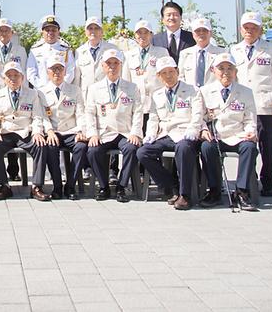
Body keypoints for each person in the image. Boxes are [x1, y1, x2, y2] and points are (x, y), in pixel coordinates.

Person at [229, 11, 272, 197]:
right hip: (242, 106)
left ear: (260, 30)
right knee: (247, 144)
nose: (250, 31)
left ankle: (269, 182)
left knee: (267, 145)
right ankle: (250, 179)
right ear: (240, 29)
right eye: (246, 27)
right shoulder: (233, 50)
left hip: (266, 103)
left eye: (254, 28)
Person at [136, 56, 203, 210]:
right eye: (164, 73)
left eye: (171, 71)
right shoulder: (157, 94)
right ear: (158, 76)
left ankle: (185, 195)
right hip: (167, 134)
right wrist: (150, 134)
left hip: (186, 133)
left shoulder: (193, 90)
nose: (168, 76)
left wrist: (193, 129)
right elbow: (153, 118)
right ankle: (171, 186)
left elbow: (198, 114)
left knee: (184, 149)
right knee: (143, 152)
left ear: (177, 72)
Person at [199, 53, 259, 211]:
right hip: (216, 136)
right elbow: (200, 117)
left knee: (250, 148)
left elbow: (250, 118)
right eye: (221, 68)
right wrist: (204, 130)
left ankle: (241, 191)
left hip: (238, 135)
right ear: (214, 71)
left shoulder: (246, 92)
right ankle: (214, 191)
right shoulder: (204, 91)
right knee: (206, 148)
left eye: (229, 68)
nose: (225, 72)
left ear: (235, 71)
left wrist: (251, 132)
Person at [0, 61, 53, 202]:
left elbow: (37, 116)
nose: (12, 78)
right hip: (6, 131)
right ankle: (4, 186)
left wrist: (37, 132)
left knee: (40, 145)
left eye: (16, 75)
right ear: (4, 79)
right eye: (9, 76)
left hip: (25, 131)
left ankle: (36, 186)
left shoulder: (32, 94)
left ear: (22, 77)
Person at [84, 49, 144, 202]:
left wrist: (135, 133)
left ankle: (121, 186)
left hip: (125, 132)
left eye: (116, 63)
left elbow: (138, 111)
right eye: (109, 63)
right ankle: (104, 186)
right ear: (103, 66)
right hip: (104, 133)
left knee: (132, 149)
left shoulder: (132, 87)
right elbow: (90, 113)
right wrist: (93, 134)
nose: (112, 66)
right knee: (92, 151)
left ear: (121, 65)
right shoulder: (94, 88)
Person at [121, 20, 171, 183]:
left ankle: (158, 177)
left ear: (151, 34)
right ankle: (138, 178)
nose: (142, 36)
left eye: (146, 33)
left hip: (157, 106)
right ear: (135, 36)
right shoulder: (128, 55)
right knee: (138, 142)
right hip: (137, 107)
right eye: (139, 33)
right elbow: (126, 82)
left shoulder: (161, 52)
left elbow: (167, 76)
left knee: (154, 141)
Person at [0, 17, 27, 182]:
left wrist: (25, 92)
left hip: (16, 93)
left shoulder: (20, 50)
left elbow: (24, 75)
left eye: (7, 30)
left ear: (12, 32)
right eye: (0, 30)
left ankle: (14, 170)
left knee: (13, 127)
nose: (4, 33)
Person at [39, 55, 88, 200]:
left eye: (60, 68)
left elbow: (81, 113)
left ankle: (70, 185)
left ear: (65, 71)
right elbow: (42, 116)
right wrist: (48, 131)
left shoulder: (75, 90)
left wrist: (81, 131)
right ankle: (57, 186)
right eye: (53, 69)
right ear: (48, 72)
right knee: (50, 147)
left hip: (71, 130)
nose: (57, 72)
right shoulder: (41, 92)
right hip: (54, 131)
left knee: (81, 147)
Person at [74, 17, 119, 99]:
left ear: (102, 31)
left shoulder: (112, 49)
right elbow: (77, 80)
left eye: (96, 28)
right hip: (86, 98)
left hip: (107, 96)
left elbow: (119, 73)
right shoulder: (79, 52)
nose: (93, 31)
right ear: (85, 32)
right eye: (90, 28)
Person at [26, 15, 75, 89]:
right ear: (42, 32)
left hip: (62, 91)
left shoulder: (66, 50)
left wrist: (60, 86)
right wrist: (44, 88)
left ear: (58, 32)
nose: (50, 33)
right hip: (41, 91)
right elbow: (31, 73)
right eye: (47, 30)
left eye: (53, 30)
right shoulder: (35, 50)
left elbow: (70, 71)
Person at [177, 17, 224, 89]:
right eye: (198, 31)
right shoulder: (185, 54)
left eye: (204, 30)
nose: (201, 33)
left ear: (210, 33)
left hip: (214, 95)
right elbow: (180, 77)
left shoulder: (221, 53)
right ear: (193, 34)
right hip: (191, 95)